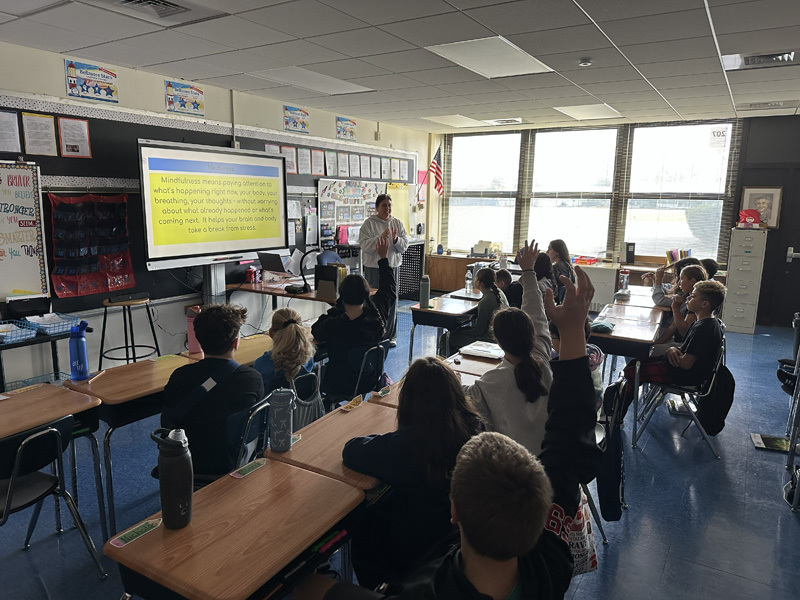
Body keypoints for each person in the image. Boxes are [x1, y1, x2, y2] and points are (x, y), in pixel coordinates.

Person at [295, 263, 602, 600]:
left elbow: (570, 435)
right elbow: (569, 437)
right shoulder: (552, 563)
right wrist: (574, 332)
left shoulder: (424, 590)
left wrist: (303, 583)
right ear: (541, 506)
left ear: (454, 511)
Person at [339, 356, 485, 589]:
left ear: (409, 402)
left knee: (364, 521)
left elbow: (352, 450)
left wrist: (387, 437)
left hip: (410, 546)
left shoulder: (408, 444)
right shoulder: (475, 427)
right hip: (453, 541)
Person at [462, 240, 552, 455]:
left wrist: (452, 376)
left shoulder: (492, 382)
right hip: (548, 458)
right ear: (531, 333)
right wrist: (529, 271)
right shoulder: (542, 357)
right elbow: (535, 307)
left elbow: (459, 395)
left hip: (512, 466)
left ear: (499, 342)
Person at [161, 304, 264, 477]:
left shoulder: (179, 376)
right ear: (236, 343)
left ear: (199, 340)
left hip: (187, 464)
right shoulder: (252, 378)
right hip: (235, 464)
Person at [312, 237, 395, 401]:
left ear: (341, 297)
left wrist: (337, 309)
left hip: (339, 384)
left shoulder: (335, 323)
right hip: (368, 381)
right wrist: (383, 258)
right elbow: (389, 289)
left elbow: (316, 330)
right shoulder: (376, 316)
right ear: (366, 295)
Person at [621, 280, 727, 408]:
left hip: (686, 376)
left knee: (632, 371)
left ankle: (617, 413)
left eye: (693, 296)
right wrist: (672, 349)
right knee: (634, 365)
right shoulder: (705, 322)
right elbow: (686, 348)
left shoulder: (704, 329)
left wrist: (669, 351)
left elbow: (686, 364)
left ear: (704, 304)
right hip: (687, 371)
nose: (688, 298)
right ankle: (618, 410)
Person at [358, 193, 408, 346]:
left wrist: (395, 239)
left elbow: (404, 246)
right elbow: (364, 246)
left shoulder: (397, 223)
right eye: (384, 205)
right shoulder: (369, 224)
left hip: (392, 267)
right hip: (374, 268)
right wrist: (380, 237)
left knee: (391, 300)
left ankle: (390, 336)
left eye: (389, 205)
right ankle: (374, 334)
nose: (387, 208)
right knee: (373, 301)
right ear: (377, 207)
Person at [445, 267, 508, 354]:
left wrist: (461, 331)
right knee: (461, 331)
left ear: (479, 283)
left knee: (448, 337)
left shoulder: (485, 302)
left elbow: (479, 331)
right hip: (502, 338)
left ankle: (449, 361)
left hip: (489, 340)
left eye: (475, 278)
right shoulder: (499, 293)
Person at [253, 308, 314, 393]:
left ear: (271, 333)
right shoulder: (308, 358)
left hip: (272, 402)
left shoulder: (262, 363)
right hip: (302, 401)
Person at [654, 264, 708, 346]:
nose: (678, 283)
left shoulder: (695, 303)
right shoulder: (686, 295)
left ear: (692, 281)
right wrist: (656, 343)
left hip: (684, 345)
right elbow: (674, 325)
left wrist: (675, 308)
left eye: (681, 279)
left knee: (648, 351)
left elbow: (684, 331)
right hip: (678, 340)